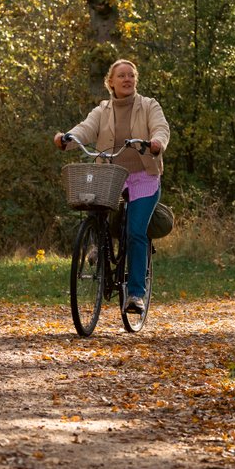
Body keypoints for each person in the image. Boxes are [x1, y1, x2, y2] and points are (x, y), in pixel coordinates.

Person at [53, 59, 169, 314]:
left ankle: (136, 294)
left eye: (131, 75)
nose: (127, 79)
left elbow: (161, 128)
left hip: (143, 176)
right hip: (111, 174)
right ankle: (97, 243)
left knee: (136, 232)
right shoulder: (102, 110)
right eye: (122, 76)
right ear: (111, 82)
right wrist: (67, 138)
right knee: (92, 206)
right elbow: (85, 129)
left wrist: (157, 142)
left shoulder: (149, 105)